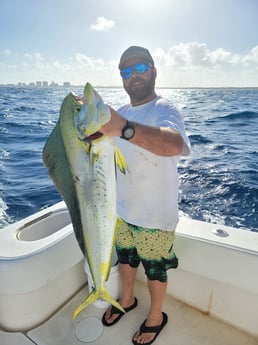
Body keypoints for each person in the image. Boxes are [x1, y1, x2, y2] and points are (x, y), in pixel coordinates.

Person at [100, 46, 190, 345]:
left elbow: (175, 145)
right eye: (126, 71)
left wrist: (122, 129)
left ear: (153, 71)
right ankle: (126, 300)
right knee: (125, 260)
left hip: (155, 216)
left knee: (154, 269)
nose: (133, 76)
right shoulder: (119, 113)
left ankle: (156, 317)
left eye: (140, 68)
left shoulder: (166, 109)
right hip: (123, 212)